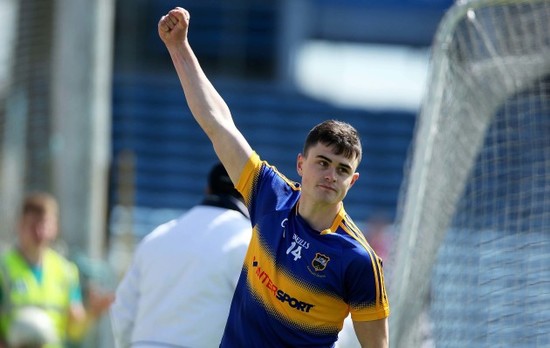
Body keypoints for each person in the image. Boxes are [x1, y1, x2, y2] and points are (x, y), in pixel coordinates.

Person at [156, 7, 390, 347]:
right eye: (322, 163)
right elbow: (218, 123)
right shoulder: (268, 194)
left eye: (342, 170)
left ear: (352, 182)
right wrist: (179, 47)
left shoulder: (358, 260)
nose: (330, 175)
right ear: (300, 164)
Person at [110, 163, 252, 348]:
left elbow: (123, 310)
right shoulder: (249, 242)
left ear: (207, 189)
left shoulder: (157, 236)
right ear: (250, 195)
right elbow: (258, 319)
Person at [0, 192, 114, 348]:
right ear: (20, 226)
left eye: (45, 225)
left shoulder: (65, 271)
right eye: (33, 225)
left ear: (55, 227)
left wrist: (92, 313)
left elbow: (74, 329)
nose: (39, 233)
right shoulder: (4, 268)